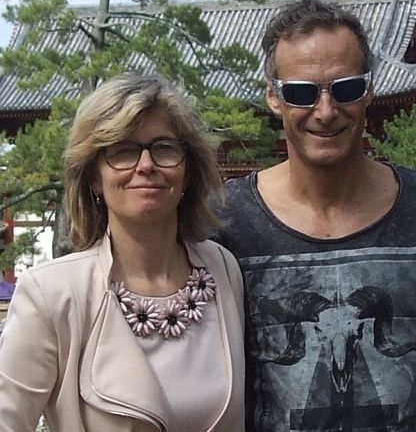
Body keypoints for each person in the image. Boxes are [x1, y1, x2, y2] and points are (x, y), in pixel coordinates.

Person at [215, 0, 416, 431]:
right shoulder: (228, 221)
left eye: (344, 89)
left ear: (369, 89)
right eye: (302, 93)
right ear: (273, 97)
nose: (325, 112)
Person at [0, 73, 245, 431]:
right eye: (123, 151)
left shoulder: (222, 269)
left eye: (164, 148)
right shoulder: (53, 293)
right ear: (95, 178)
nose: (146, 166)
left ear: (187, 172)